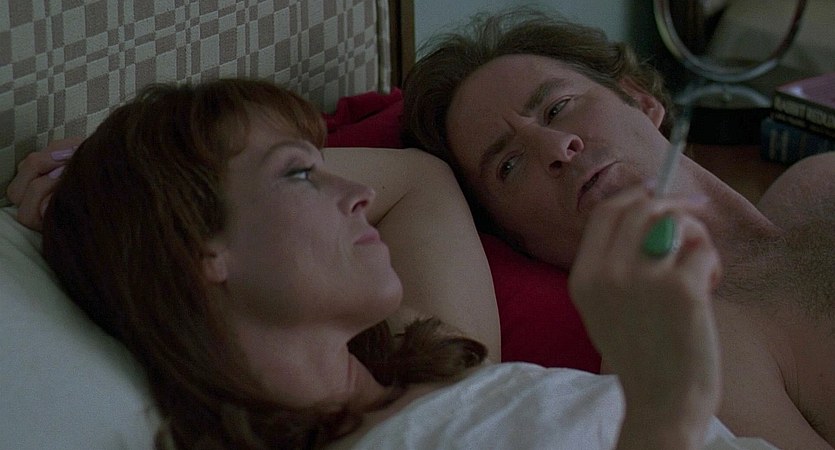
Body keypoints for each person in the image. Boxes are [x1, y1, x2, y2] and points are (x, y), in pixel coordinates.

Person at [5, 77, 767, 449]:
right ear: (199, 245)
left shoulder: (433, 363)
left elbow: (418, 181)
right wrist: (667, 404)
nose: (360, 193)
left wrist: (127, 184)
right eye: (300, 173)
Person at [400, 7, 835, 450]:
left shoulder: (816, 183)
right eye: (508, 165)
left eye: (557, 108)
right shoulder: (688, 350)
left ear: (641, 100)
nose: (556, 148)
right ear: (517, 240)